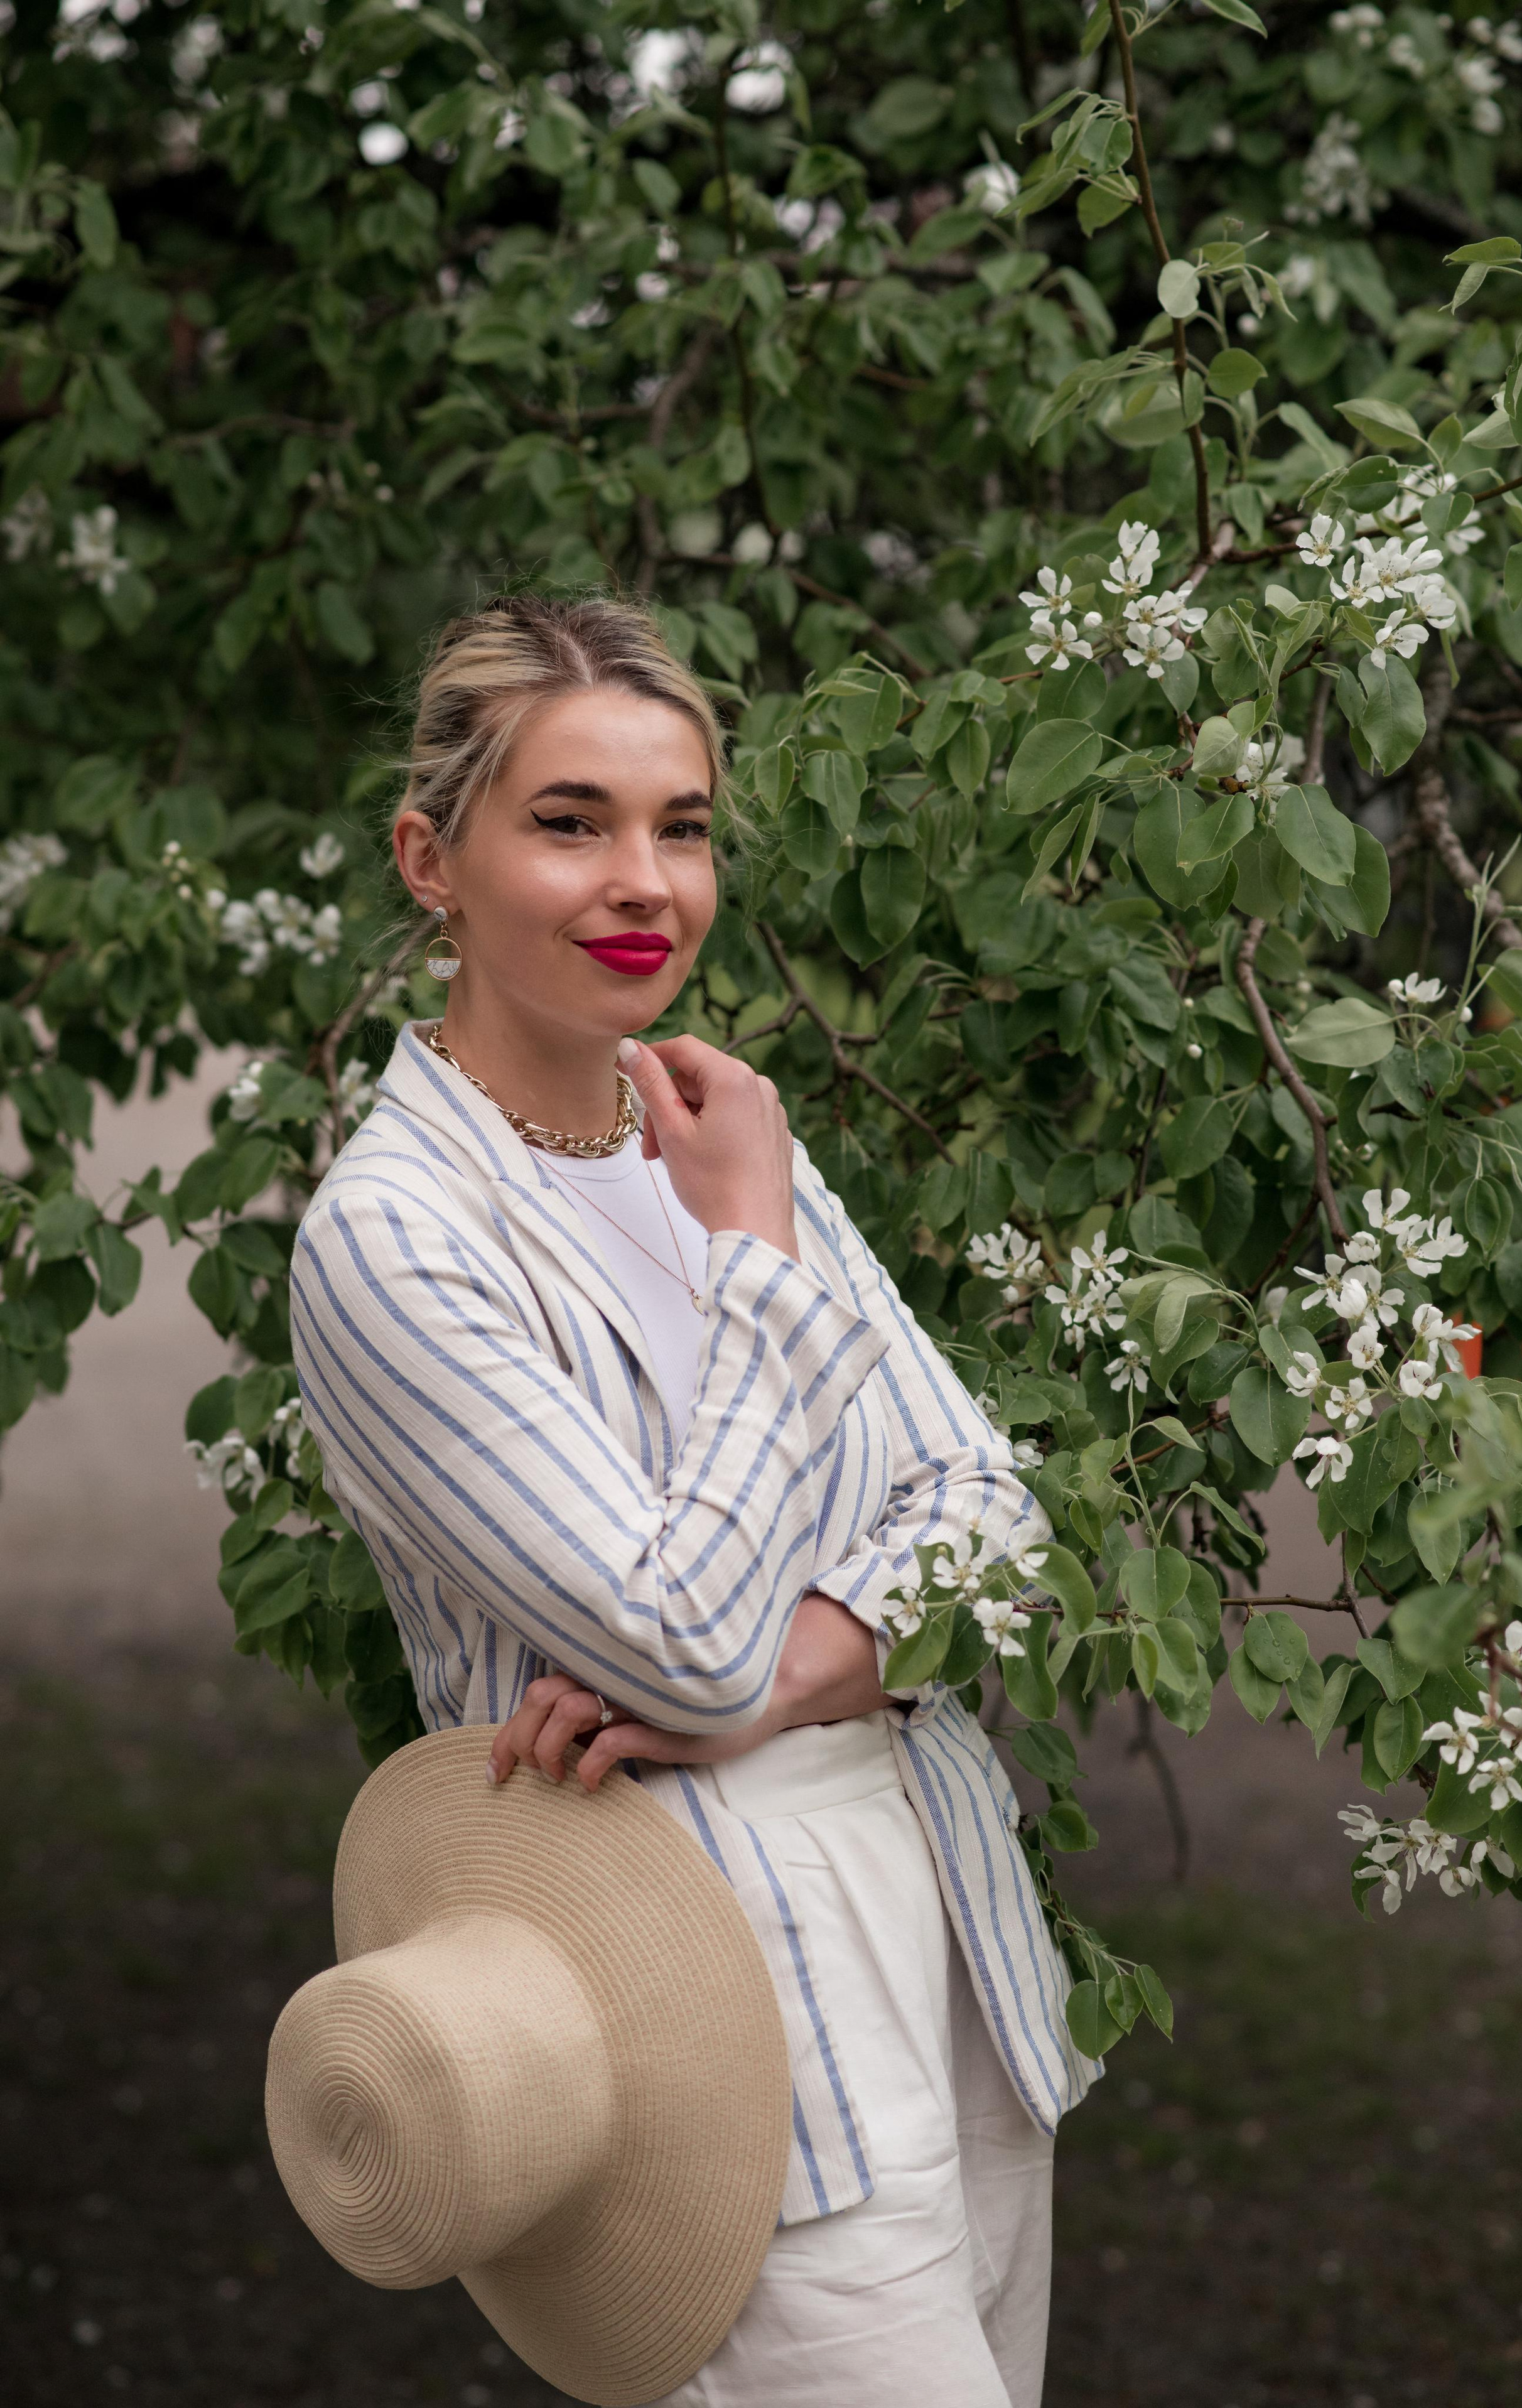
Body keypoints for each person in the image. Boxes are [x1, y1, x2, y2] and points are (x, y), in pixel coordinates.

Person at [287, 592, 1096, 2408]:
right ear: (432, 858)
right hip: (703, 2017)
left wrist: (776, 1680)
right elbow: (679, 1633)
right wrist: (755, 1261)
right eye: (570, 822)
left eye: (684, 826)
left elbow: (996, 1516)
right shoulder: (396, 1241)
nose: (643, 881)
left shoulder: (717, 1140)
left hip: (940, 1944)